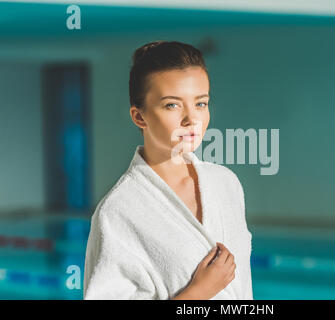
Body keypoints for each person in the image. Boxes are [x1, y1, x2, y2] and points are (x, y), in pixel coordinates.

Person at [83, 40, 253, 300]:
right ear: (140, 116)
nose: (191, 119)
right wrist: (198, 293)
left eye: (201, 103)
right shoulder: (118, 211)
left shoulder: (226, 184)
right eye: (172, 105)